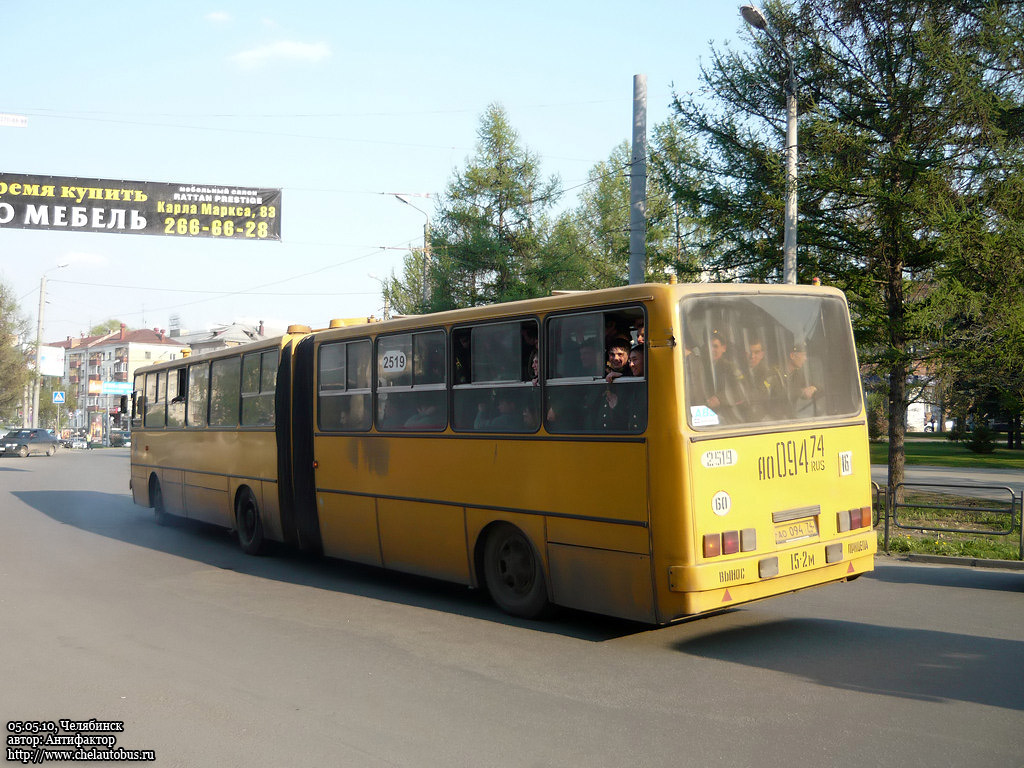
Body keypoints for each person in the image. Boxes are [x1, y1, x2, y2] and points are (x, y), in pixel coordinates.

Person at [706, 331, 747, 423]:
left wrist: (720, 399)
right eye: (710, 346)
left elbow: (742, 390)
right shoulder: (703, 366)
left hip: (728, 416)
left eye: (715, 346)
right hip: (708, 415)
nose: (712, 350)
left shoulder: (730, 367)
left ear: (723, 348)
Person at [785, 342, 819, 417]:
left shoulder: (799, 374)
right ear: (792, 356)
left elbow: (818, 387)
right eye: (803, 355)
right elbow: (779, 394)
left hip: (793, 417)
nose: (805, 358)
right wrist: (802, 392)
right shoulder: (777, 373)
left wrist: (813, 389)